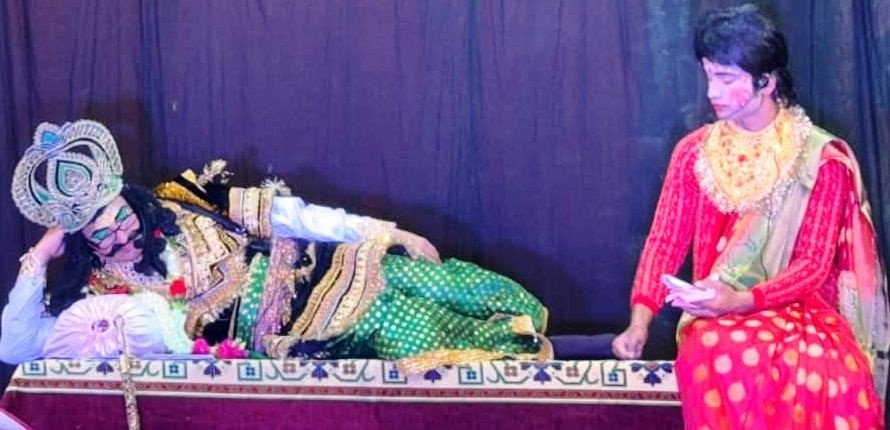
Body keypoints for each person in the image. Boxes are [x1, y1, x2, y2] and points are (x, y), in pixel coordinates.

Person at [0, 119, 550, 373]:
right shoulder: (97, 302)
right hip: (303, 331)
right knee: (415, 330)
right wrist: (38, 259)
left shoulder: (182, 200)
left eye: (122, 220)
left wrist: (384, 232)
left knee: (448, 282)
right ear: (81, 242)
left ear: (132, 200)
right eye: (102, 235)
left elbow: (292, 216)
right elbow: (13, 349)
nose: (122, 237)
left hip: (327, 267)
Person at [611, 5, 887, 429]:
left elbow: (813, 266)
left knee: (827, 369)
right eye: (709, 75)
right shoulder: (694, 152)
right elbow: (664, 242)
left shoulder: (821, 158)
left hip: (804, 311)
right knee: (719, 349)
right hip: (715, 317)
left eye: (726, 78)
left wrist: (740, 301)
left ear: (766, 82)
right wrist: (639, 323)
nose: (712, 91)